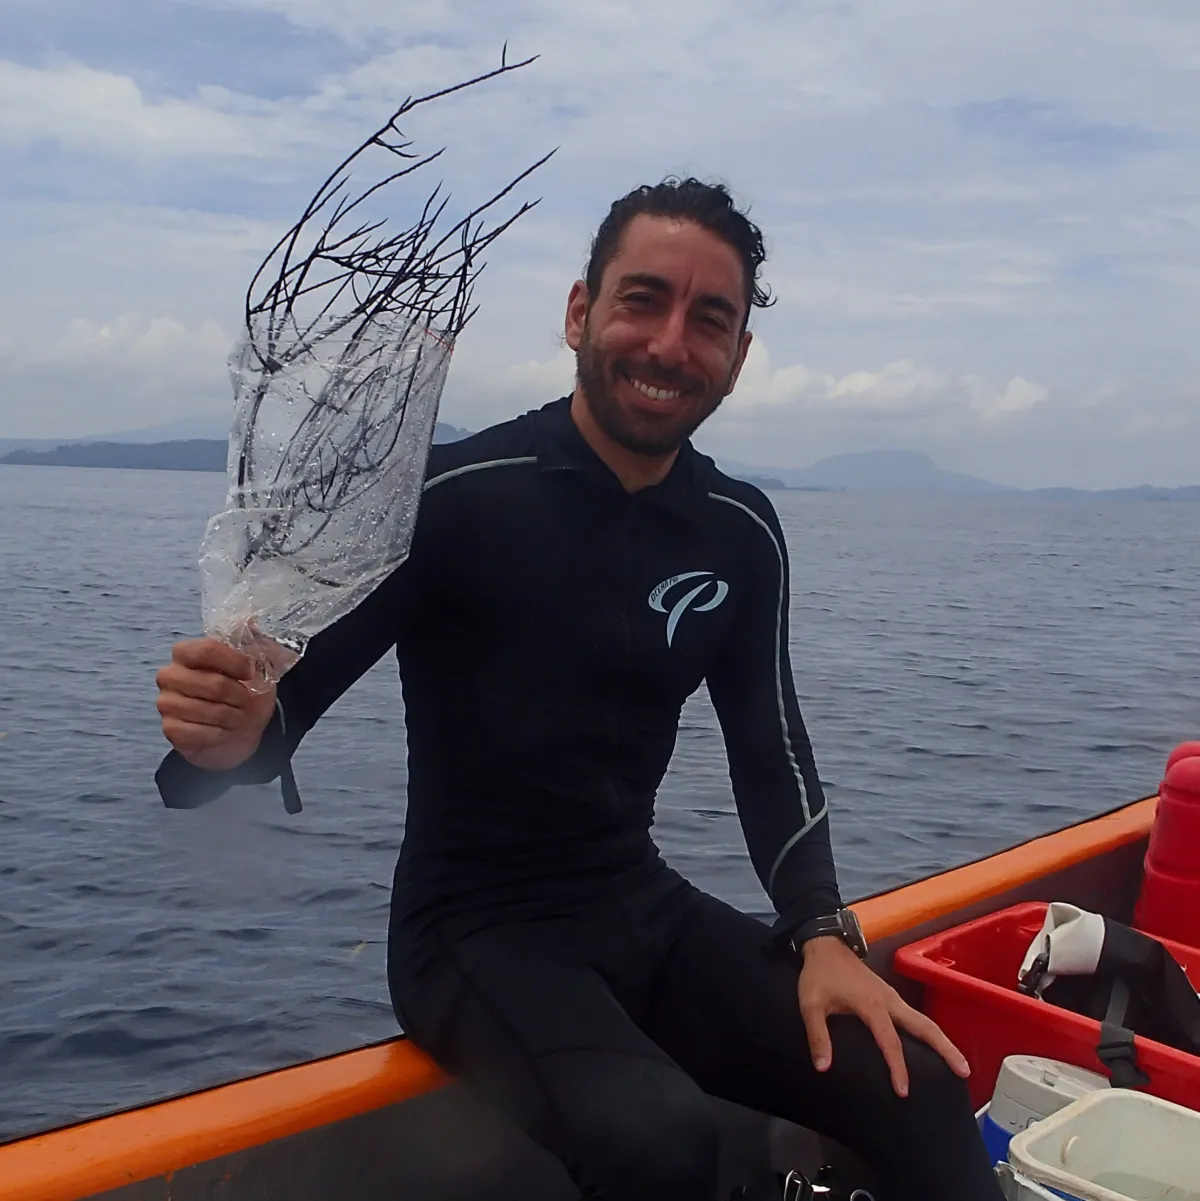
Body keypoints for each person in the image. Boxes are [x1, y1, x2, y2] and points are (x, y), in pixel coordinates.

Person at [154, 178, 1004, 1201]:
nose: (668, 343)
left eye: (710, 320)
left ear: (735, 356)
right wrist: (228, 730)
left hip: (637, 902)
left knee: (915, 1080)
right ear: (579, 312)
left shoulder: (739, 532)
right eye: (642, 300)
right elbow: (263, 732)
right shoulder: (450, 500)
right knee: (661, 1139)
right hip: (470, 932)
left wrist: (821, 931)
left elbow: (769, 747)